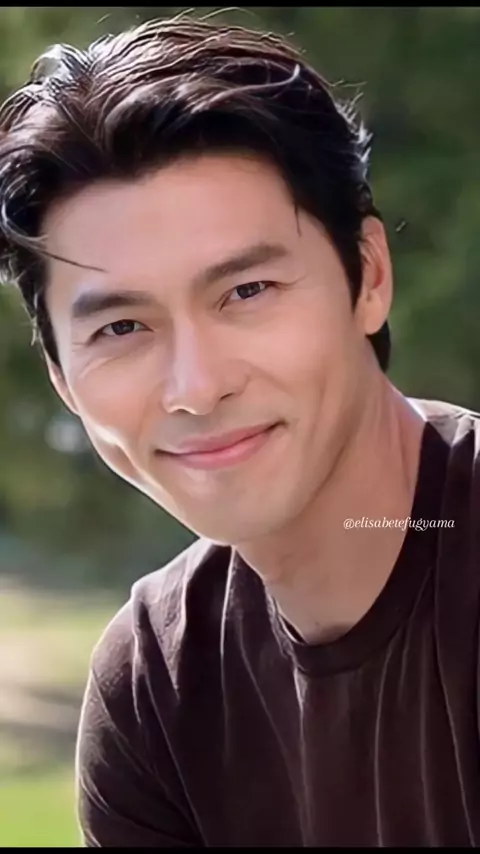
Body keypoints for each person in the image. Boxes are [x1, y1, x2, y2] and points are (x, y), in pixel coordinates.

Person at [0, 11, 479, 848]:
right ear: (62, 381)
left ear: (369, 276)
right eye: (121, 328)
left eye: (247, 292)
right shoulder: (154, 688)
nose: (197, 387)